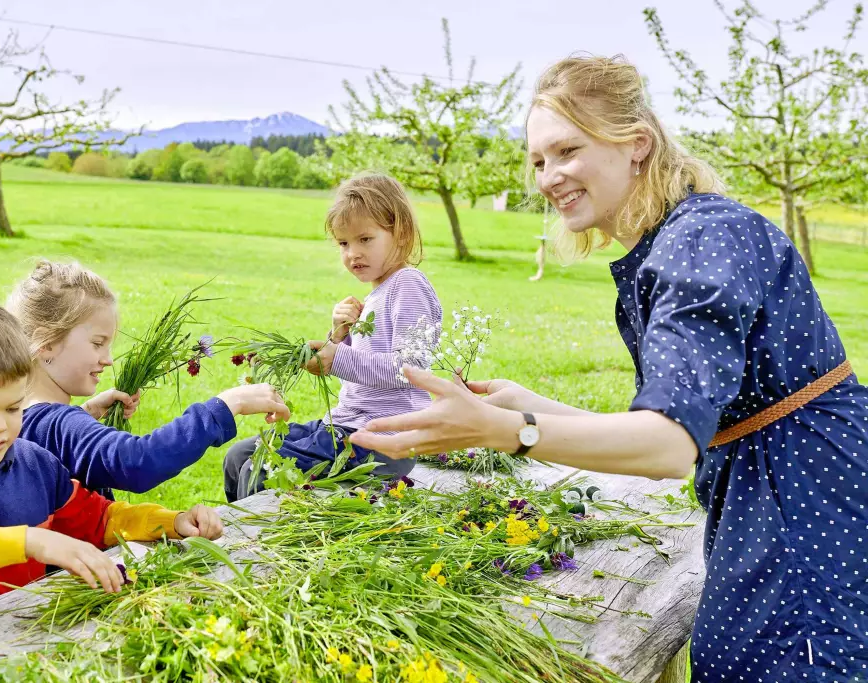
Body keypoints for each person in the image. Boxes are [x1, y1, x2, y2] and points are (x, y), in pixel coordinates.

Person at [350, 55, 868, 681]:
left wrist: (505, 432)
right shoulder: (674, 240)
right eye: (537, 160)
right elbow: (673, 429)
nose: (547, 176)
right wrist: (526, 408)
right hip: (765, 495)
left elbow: (669, 446)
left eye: (567, 149)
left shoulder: (703, 238)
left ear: (637, 146)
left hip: (804, 504)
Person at [0, 302, 222, 628]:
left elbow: (102, 519)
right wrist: (30, 541)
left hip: (27, 637)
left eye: (13, 408)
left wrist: (171, 521)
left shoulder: (35, 463)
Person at [222, 173, 443, 502]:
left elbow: (410, 368)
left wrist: (336, 358)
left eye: (365, 239)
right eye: (343, 243)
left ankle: (257, 548)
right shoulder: (378, 294)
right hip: (347, 426)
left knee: (261, 466)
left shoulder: (408, 285)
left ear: (400, 231)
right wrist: (338, 338)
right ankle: (239, 539)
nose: (353, 253)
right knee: (238, 457)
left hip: (383, 438)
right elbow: (362, 365)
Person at [7, 260, 290, 500]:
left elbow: (53, 441)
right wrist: (227, 405)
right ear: (46, 343)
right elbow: (137, 461)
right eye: (97, 343)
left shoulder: (13, 418)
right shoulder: (59, 425)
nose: (108, 359)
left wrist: (85, 414)